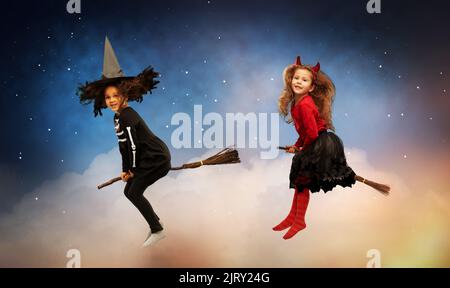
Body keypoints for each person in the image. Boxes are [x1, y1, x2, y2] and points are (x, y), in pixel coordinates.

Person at [78, 36, 171, 247]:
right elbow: (124, 146)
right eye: (107, 97)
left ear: (125, 94)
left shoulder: (128, 115)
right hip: (145, 159)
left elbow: (134, 146)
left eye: (115, 95)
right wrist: (125, 170)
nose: (110, 100)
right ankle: (155, 221)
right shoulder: (117, 117)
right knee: (129, 190)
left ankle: (157, 230)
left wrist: (134, 170)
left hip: (156, 158)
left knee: (134, 192)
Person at [272, 56, 356, 240]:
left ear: (311, 87)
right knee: (300, 183)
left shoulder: (306, 106)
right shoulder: (297, 103)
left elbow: (311, 133)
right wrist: (296, 146)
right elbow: (304, 133)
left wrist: (302, 149)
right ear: (290, 80)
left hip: (320, 144)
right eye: (296, 78)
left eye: (304, 79)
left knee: (302, 182)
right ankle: (292, 217)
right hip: (313, 141)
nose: (299, 81)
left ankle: (299, 220)